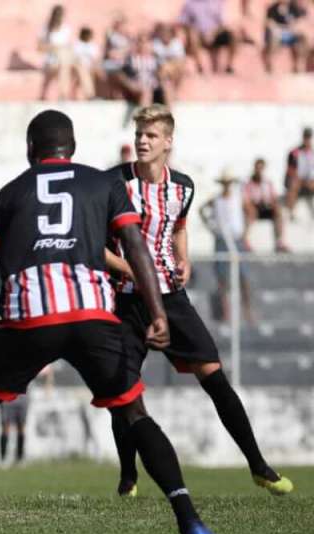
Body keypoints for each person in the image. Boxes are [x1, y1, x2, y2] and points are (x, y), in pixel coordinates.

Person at [0, 109, 216, 534]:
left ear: (30, 150)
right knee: (136, 415)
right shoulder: (105, 184)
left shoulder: (12, 192)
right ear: (74, 149)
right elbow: (136, 247)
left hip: (29, 317)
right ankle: (190, 520)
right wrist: (158, 311)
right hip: (93, 315)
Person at [105, 105, 292, 498]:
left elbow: (179, 227)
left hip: (171, 298)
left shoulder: (184, 187)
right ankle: (128, 476)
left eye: (151, 135)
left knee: (214, 375)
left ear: (168, 142)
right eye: (140, 133)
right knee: (124, 390)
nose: (142, 140)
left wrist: (184, 256)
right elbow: (94, 246)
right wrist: (131, 270)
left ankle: (259, 466)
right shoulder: (113, 185)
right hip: (126, 301)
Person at [201, 168, 256, 324]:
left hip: (236, 240)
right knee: (222, 279)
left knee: (243, 277)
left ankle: (248, 312)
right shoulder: (217, 199)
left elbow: (251, 212)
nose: (226, 186)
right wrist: (211, 227)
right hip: (221, 240)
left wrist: (245, 232)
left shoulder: (239, 198)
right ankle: (226, 313)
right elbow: (202, 210)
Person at [179, 0, 238, 74]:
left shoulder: (215, 2)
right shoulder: (189, 4)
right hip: (199, 34)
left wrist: (213, 33)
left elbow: (223, 24)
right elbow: (183, 23)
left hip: (216, 33)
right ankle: (200, 67)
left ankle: (229, 66)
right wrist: (194, 32)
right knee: (193, 36)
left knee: (233, 35)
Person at [242, 157, 289, 251]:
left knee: (278, 212)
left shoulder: (267, 182)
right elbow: (246, 200)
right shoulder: (248, 183)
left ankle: (280, 241)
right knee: (250, 211)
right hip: (254, 208)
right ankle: (245, 240)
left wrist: (273, 204)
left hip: (266, 208)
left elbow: (274, 197)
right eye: (257, 168)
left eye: (261, 168)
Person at [38, 4, 73, 101]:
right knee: (63, 62)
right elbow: (39, 47)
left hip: (63, 60)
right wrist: (54, 47)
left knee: (63, 64)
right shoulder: (45, 28)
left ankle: (63, 95)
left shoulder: (66, 28)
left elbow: (69, 46)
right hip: (49, 60)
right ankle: (63, 95)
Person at [263, 0, 308, 73]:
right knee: (272, 39)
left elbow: (300, 20)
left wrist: (294, 28)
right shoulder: (273, 8)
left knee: (302, 39)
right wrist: (278, 29)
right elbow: (269, 23)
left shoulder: (294, 7)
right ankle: (269, 65)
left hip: (290, 33)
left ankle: (298, 65)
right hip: (277, 33)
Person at [284, 126, 314, 219]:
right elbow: (290, 169)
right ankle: (291, 211)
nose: (307, 139)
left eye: (308, 137)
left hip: (310, 180)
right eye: (306, 137)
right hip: (297, 180)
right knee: (294, 185)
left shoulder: (312, 152)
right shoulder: (295, 152)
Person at [72, 26, 100, 100]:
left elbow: (95, 60)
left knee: (91, 72)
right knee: (83, 71)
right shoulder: (77, 44)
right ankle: (90, 95)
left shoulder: (93, 46)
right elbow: (75, 58)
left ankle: (90, 95)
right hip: (79, 66)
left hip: (90, 67)